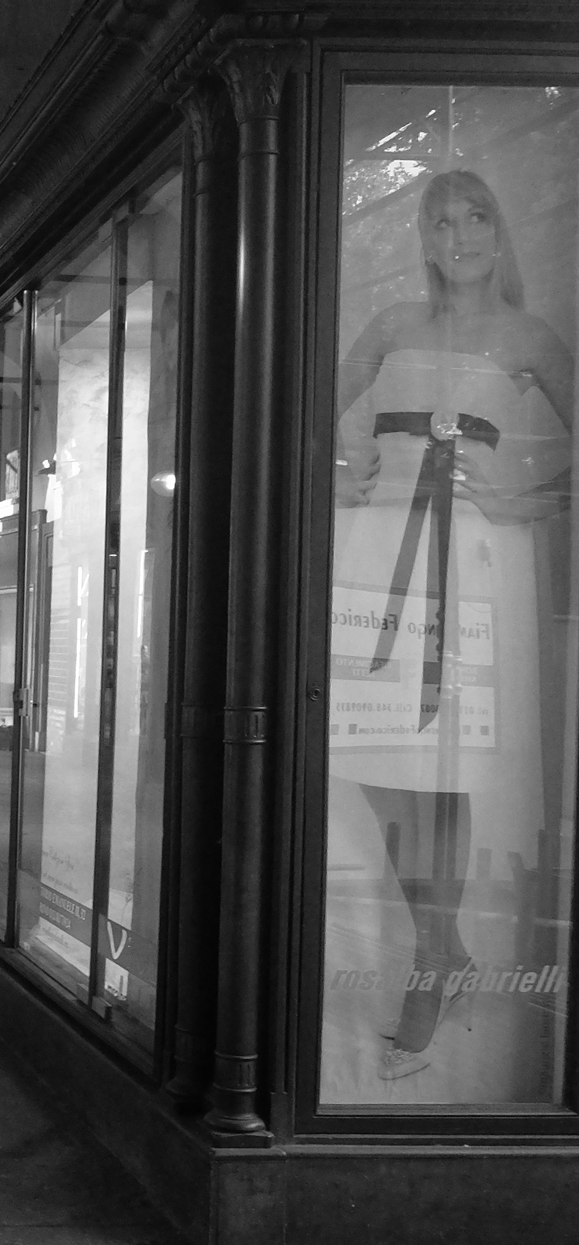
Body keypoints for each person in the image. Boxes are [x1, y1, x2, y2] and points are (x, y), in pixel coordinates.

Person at [331, 169, 573, 1082]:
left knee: (445, 768)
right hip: (380, 556)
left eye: (476, 216)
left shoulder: (530, 337)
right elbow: (312, 415)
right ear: (424, 240)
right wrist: (333, 474)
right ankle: (448, 943)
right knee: (376, 761)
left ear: (500, 231)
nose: (460, 233)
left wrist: (528, 494)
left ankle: (433, 967)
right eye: (441, 221)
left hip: (473, 562)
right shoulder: (392, 327)